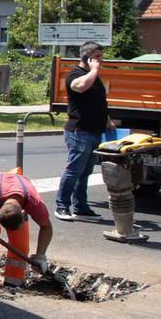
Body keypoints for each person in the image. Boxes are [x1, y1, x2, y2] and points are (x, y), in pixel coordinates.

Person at [59, 40, 109, 220]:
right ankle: (62, 205)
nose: (100, 61)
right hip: (79, 130)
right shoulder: (75, 74)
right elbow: (79, 87)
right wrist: (94, 70)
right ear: (86, 57)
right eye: (97, 57)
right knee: (74, 170)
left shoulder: (94, 77)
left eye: (101, 57)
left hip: (94, 130)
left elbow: (98, 101)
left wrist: (108, 120)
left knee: (86, 172)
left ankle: (80, 207)